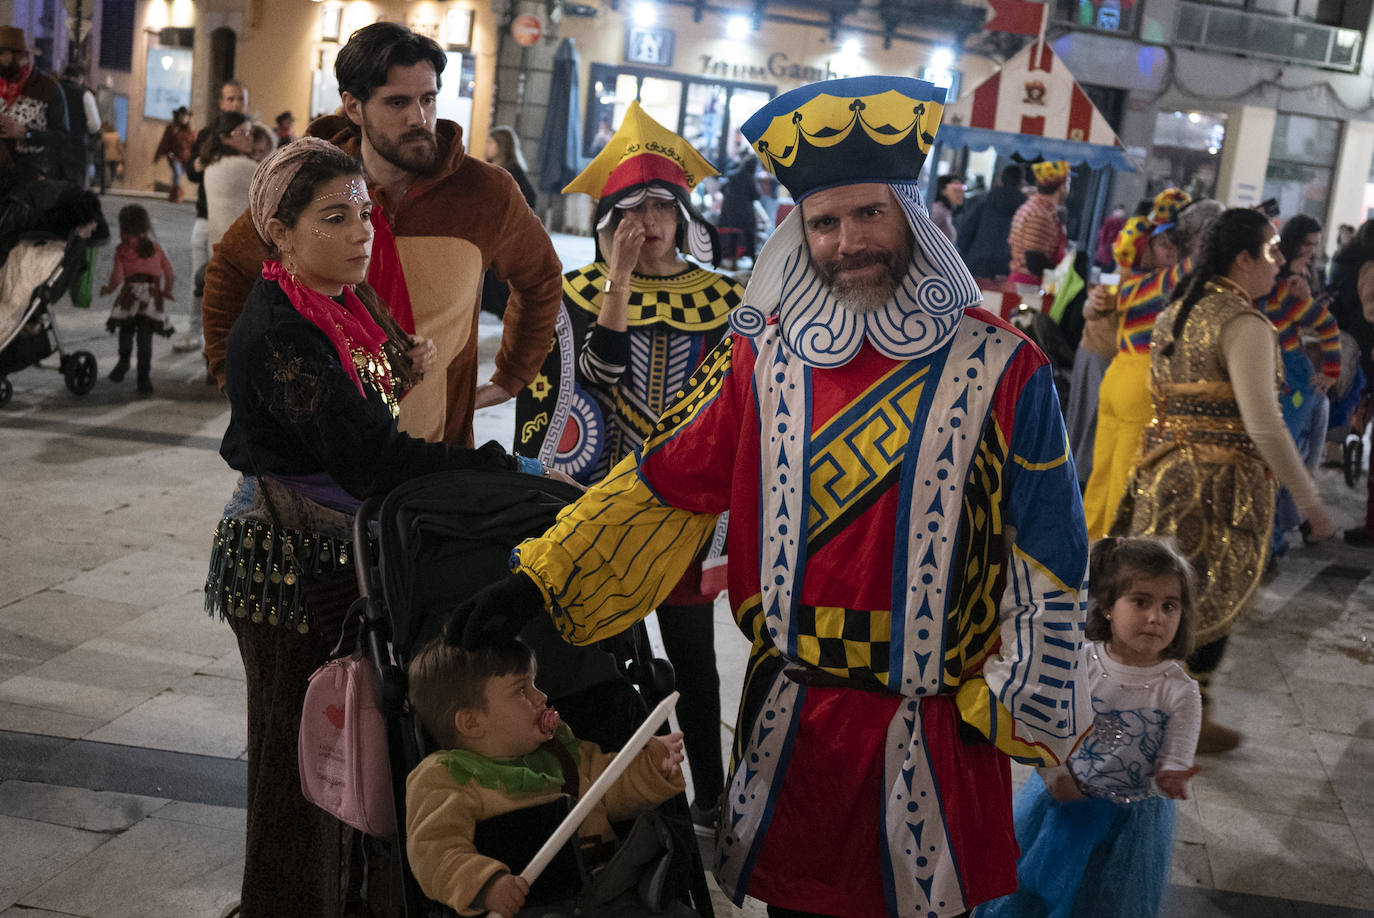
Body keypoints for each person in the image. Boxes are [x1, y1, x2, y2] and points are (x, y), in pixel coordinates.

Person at [448, 76, 1092, 918]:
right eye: (824, 222)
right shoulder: (767, 359)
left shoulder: (1008, 367)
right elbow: (667, 477)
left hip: (933, 735)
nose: (847, 240)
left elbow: (1052, 550)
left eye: (869, 214)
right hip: (793, 723)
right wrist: (539, 579)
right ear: (800, 234)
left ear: (912, 215)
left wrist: (1014, 706)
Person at [204, 138, 548, 918]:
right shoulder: (279, 331)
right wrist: (498, 469)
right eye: (335, 217)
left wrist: (410, 362)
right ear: (282, 236)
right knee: (301, 761)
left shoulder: (341, 296)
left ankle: (349, 899)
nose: (363, 231)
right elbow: (370, 457)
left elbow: (373, 383)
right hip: (288, 568)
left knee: (349, 752)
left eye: (363, 212)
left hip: (343, 551)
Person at [515, 101, 742, 827]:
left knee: (693, 664)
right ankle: (612, 796)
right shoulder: (579, 295)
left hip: (687, 514)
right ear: (608, 219)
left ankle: (710, 794)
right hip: (603, 506)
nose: (648, 223)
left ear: (682, 214)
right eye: (631, 210)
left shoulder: (726, 301)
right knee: (605, 660)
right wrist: (616, 278)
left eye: (660, 207)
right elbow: (598, 376)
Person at [202, 23, 561, 447]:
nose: (419, 117)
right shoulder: (305, 185)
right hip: (319, 462)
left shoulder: (485, 194)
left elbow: (541, 277)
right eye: (397, 102)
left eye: (428, 99)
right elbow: (228, 270)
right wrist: (238, 381)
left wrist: (512, 375)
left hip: (433, 462)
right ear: (353, 107)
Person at [1116, 208, 1336, 754]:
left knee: (1159, 601)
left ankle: (1151, 710)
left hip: (1163, 475)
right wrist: (1310, 500)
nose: (1280, 263)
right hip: (1219, 488)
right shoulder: (1244, 324)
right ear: (1242, 258)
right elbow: (1264, 423)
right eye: (1271, 251)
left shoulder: (1178, 313)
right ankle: (1178, 718)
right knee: (1204, 606)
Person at [979, 537, 1202, 918]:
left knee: (1103, 900)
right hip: (1062, 800)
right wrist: (1056, 776)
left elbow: (1177, 753)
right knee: (1036, 890)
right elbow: (1045, 725)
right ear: (1110, 607)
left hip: (1129, 822)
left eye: (1169, 606)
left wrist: (1172, 775)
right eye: (1141, 601)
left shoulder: (1179, 690)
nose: (1155, 617)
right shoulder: (1080, 663)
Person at [404, 636, 687, 916]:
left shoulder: (559, 752)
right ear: (472, 722)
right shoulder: (444, 777)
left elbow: (610, 787)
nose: (541, 696)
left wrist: (651, 766)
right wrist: (486, 885)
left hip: (606, 890)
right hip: (531, 905)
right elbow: (434, 850)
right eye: (522, 691)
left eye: (534, 684)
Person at [1080, 190, 1208, 539]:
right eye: (1166, 244)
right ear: (1147, 248)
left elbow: (1093, 310)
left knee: (1102, 473)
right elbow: (1194, 263)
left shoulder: (1127, 283)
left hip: (1116, 378)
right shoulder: (1157, 285)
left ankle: (1090, 543)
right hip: (1140, 382)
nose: (1173, 250)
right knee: (1125, 475)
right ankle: (1115, 549)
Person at [1259, 214, 1340, 553]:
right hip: (1282, 374)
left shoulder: (1286, 289)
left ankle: (1274, 538)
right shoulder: (1281, 285)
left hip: (1293, 379)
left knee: (1280, 458)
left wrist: (1331, 372)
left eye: (1315, 245)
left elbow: (1327, 325)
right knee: (1279, 457)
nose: (1311, 251)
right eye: (1307, 244)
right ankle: (1276, 535)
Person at [175, 79, 247, 357]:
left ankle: (223, 343)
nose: (236, 104)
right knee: (200, 279)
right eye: (231, 99)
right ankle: (193, 332)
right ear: (221, 103)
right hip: (206, 216)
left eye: (240, 99)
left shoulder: (247, 134)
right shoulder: (208, 134)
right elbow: (193, 173)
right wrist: (197, 164)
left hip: (238, 223)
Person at [1326, 220, 1374, 545]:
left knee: (1357, 401)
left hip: (1351, 346)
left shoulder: (1345, 260)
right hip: (1366, 346)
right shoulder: (1368, 267)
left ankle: (1350, 436)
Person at [100, 204, 174, 396]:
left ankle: (123, 363)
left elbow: (117, 278)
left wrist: (109, 289)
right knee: (145, 338)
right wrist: (166, 290)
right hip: (151, 299)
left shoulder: (122, 250)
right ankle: (143, 378)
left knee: (125, 331)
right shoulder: (156, 247)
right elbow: (169, 272)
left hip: (129, 297)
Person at [478, 125, 537, 318]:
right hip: (502, 242)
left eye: (490, 142)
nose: (486, 146)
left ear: (500, 146)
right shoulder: (507, 172)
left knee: (498, 294)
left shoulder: (509, 175)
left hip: (505, 244)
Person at [0, 27, 69, 181]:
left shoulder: (47, 87)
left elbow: (61, 136)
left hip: (30, 179)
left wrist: (26, 133)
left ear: (19, 55)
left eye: (1, 54)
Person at [1008, 160, 1069, 304]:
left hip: (1025, 283)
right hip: (1029, 287)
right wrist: (1062, 273)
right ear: (1062, 186)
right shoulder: (1039, 214)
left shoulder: (1036, 208)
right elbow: (1033, 260)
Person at [956, 163, 1024, 280]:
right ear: (1021, 182)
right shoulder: (1024, 208)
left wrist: (967, 253)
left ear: (1001, 179)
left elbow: (965, 232)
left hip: (977, 261)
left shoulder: (984, 201)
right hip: (1006, 266)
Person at [202, 112, 258, 249]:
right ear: (224, 138)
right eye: (243, 133)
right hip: (242, 246)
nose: (249, 138)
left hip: (218, 243)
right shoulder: (242, 166)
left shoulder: (212, 164)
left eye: (250, 132)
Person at [715, 152, 765, 269]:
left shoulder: (733, 175)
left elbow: (722, 188)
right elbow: (756, 196)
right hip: (745, 214)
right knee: (750, 236)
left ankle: (733, 261)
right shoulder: (749, 178)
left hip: (731, 212)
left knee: (734, 235)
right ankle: (754, 263)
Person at [56, 64, 99, 188]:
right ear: (80, 78)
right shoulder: (84, 94)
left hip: (52, 147)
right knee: (73, 190)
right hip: (76, 149)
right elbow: (94, 125)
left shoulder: (53, 88)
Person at [153, 106, 195, 203]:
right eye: (182, 116)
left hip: (186, 158)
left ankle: (174, 194)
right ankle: (177, 196)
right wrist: (157, 156)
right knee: (177, 173)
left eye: (186, 116)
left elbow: (194, 145)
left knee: (178, 175)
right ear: (178, 116)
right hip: (174, 156)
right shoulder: (172, 128)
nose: (184, 118)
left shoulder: (190, 131)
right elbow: (164, 142)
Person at [929, 173, 965, 244]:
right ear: (943, 191)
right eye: (956, 189)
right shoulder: (938, 211)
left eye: (962, 189)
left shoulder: (948, 211)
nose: (961, 193)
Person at [100, 119, 123, 189]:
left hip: (107, 156)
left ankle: (107, 183)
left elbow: (100, 146)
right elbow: (120, 147)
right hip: (116, 156)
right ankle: (111, 182)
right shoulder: (116, 135)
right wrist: (122, 155)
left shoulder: (104, 135)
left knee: (107, 169)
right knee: (113, 170)